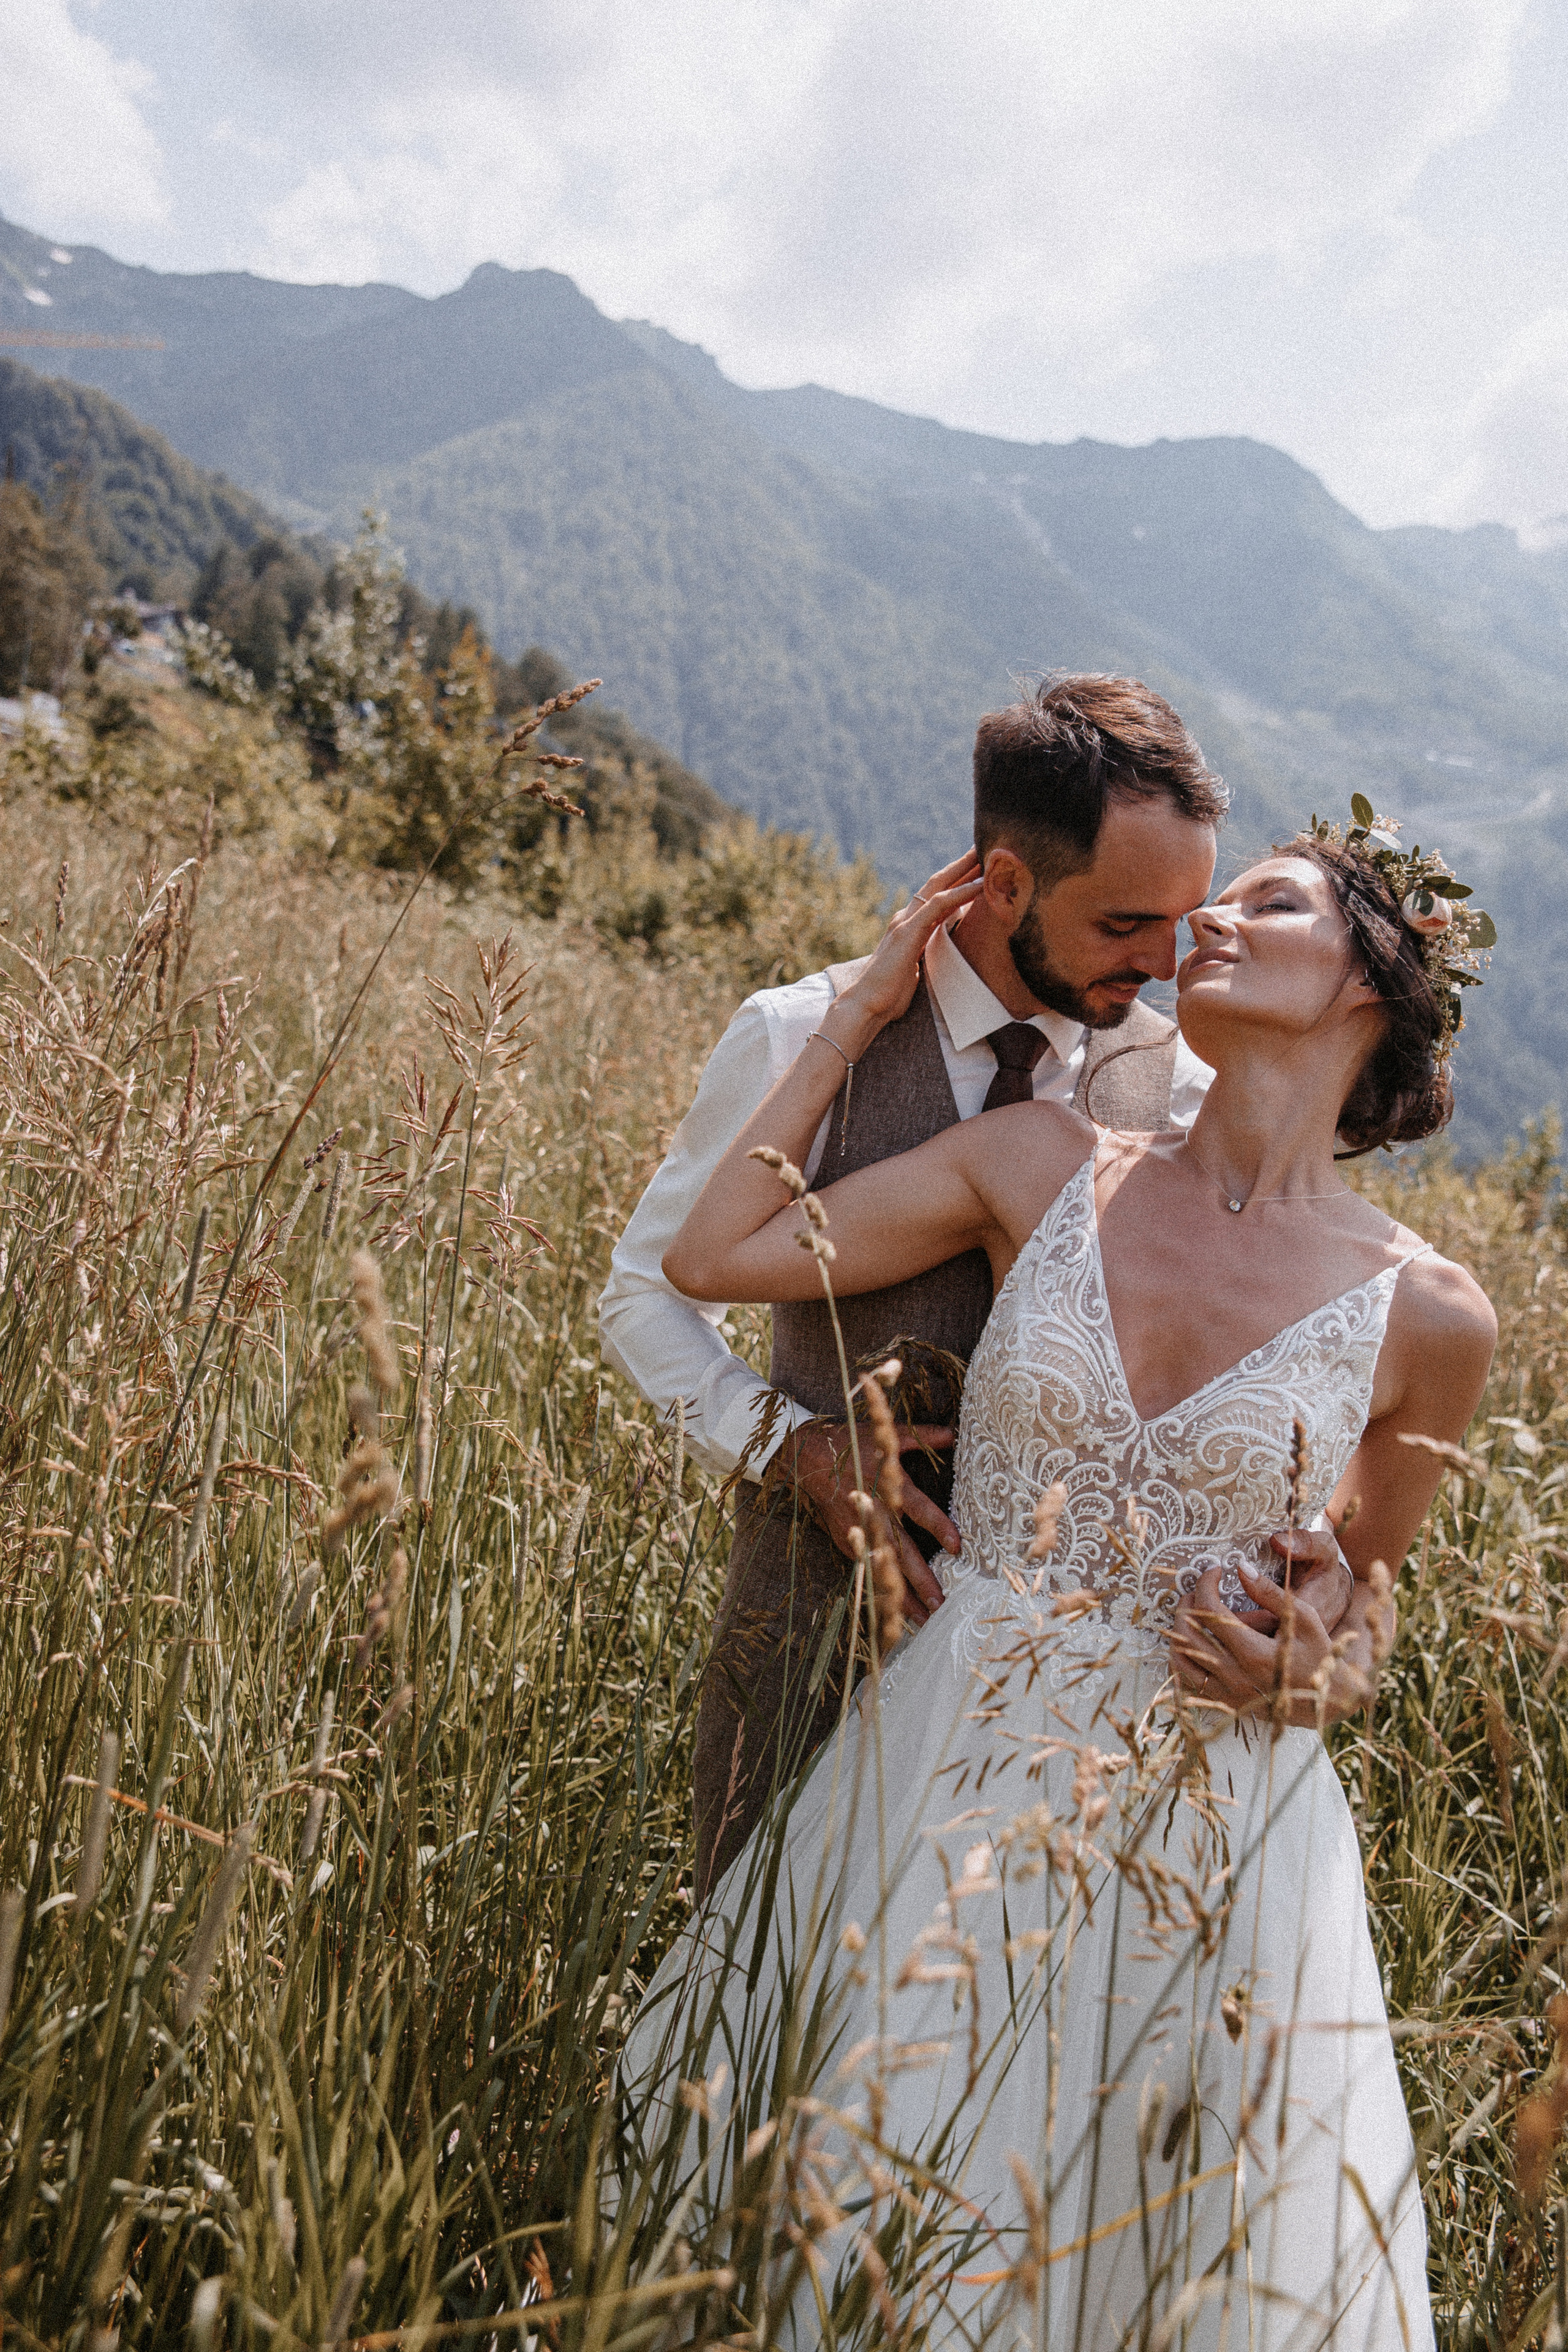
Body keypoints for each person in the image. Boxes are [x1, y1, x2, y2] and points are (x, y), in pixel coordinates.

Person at [624, 807, 1496, 2348]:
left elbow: (1360, 1587)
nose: (1205, 926)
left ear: (1374, 978)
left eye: (1268, 904)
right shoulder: (1040, 1161)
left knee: (1149, 2248)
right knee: (864, 2204)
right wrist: (858, 1010)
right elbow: (712, 1254)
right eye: (1206, 908)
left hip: (1215, 1827)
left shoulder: (1429, 1315)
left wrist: (1328, 1670)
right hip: (948, 1764)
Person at [600, 677, 1352, 1894]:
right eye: (1121, 924)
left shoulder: (1173, 1091)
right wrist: (790, 1447)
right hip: (802, 1627)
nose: (1163, 964)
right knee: (751, 2018)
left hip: (1052, 1708)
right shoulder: (797, 1035)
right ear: (1005, 883)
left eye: (1182, 917)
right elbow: (644, 1293)